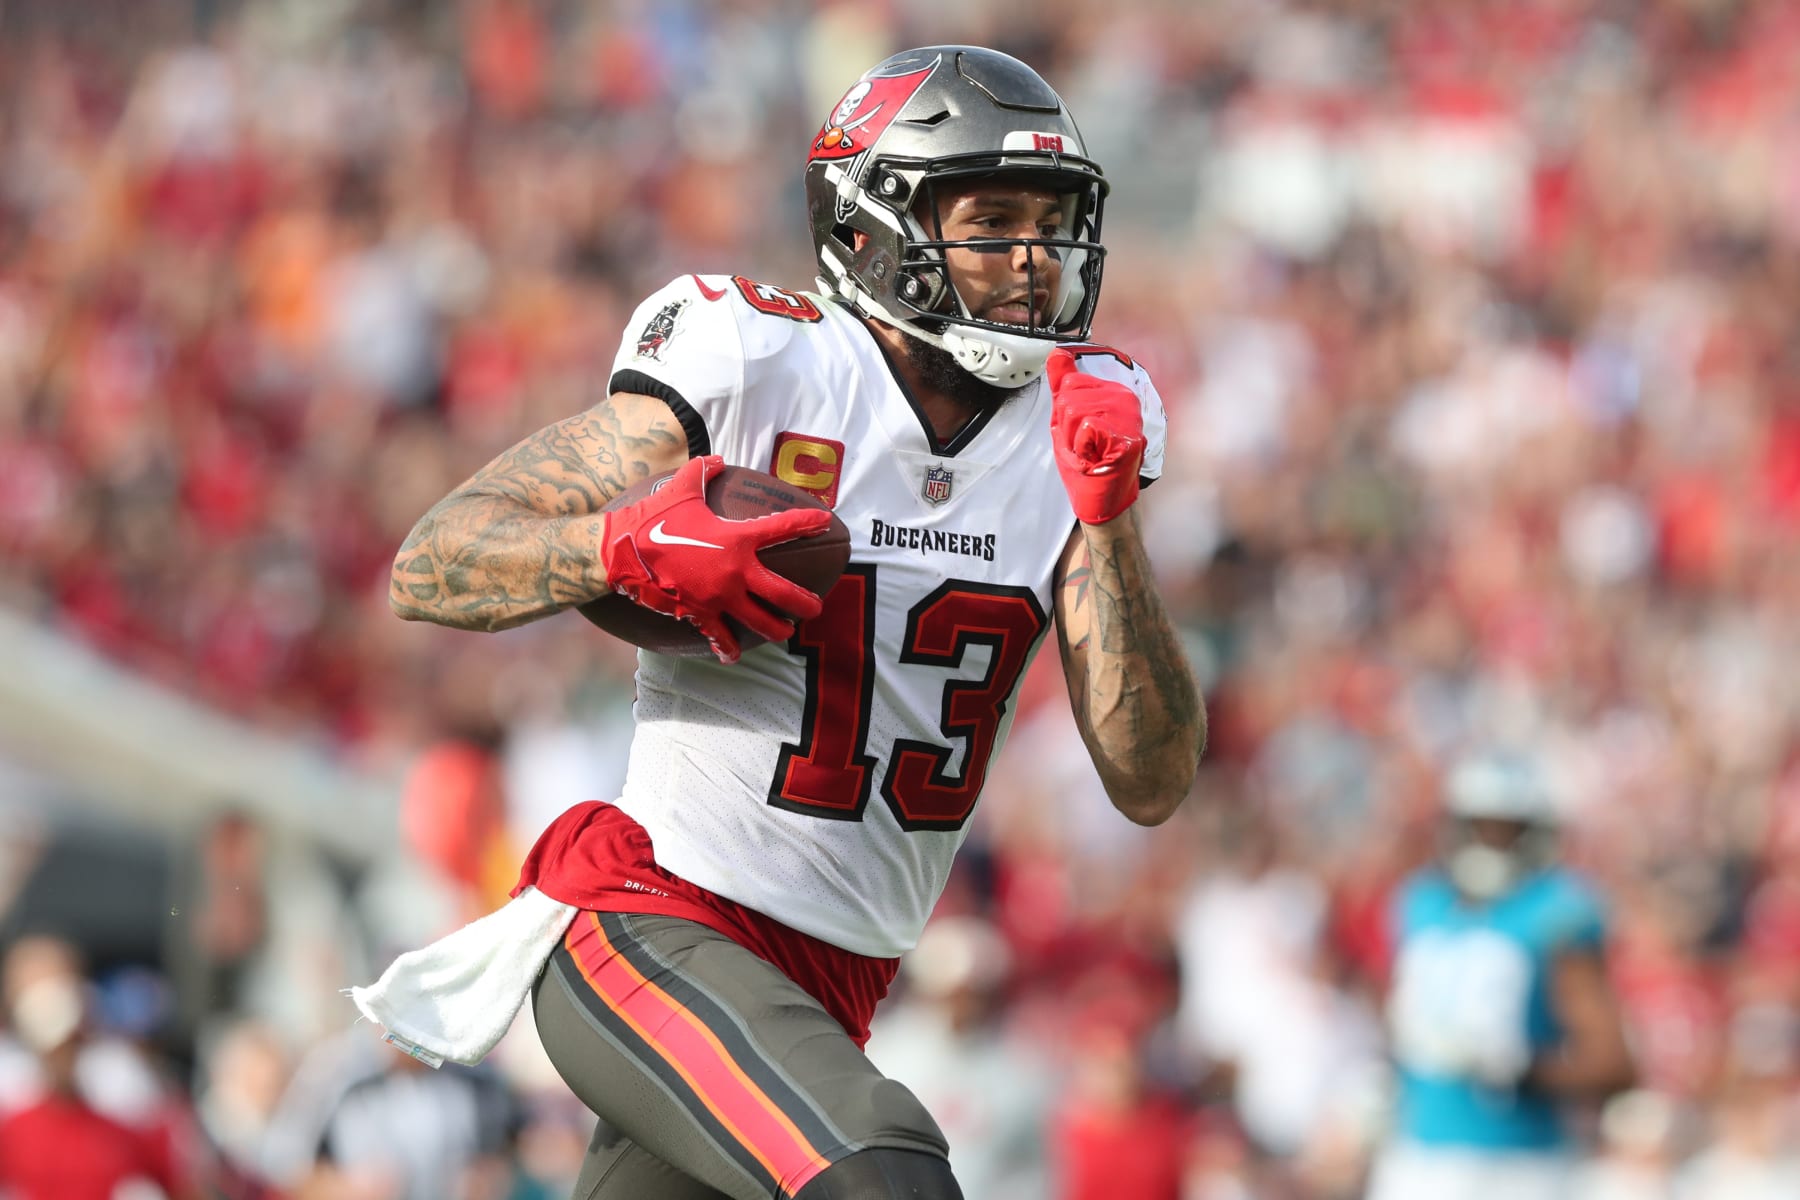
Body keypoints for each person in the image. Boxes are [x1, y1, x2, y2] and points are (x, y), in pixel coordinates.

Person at [355, 43, 1204, 1200]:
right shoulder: (761, 359)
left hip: (828, 994)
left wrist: (1107, 525)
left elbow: (1152, 781)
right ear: (872, 230)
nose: (1030, 259)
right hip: (655, 926)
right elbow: (433, 559)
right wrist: (613, 545)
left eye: (1049, 223)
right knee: (889, 1178)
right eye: (991, 219)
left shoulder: (1075, 427)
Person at [1369, 750, 1637, 1200]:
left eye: (1506, 829)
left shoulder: (1557, 911)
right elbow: (1400, 1020)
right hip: (1416, 1155)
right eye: (1479, 825)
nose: (1489, 842)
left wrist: (1519, 1070)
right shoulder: (1420, 903)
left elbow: (1613, 1064)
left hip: (1518, 1165)